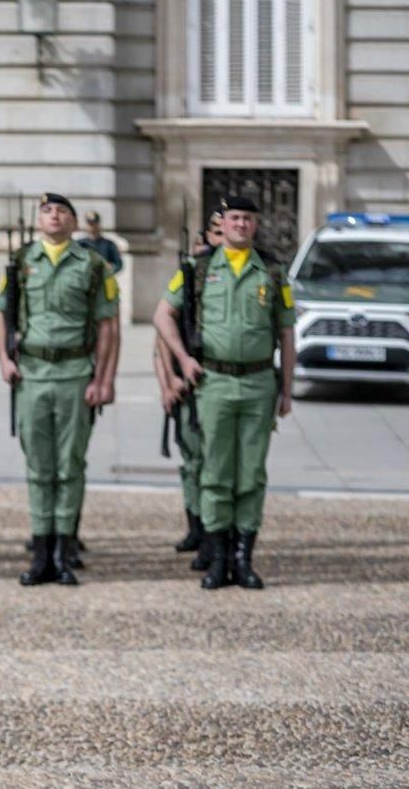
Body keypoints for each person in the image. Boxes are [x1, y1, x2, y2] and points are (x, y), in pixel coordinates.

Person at [153, 195, 295, 590]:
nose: (241, 225)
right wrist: (182, 360)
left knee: (250, 475)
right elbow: (162, 314)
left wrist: (287, 390)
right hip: (212, 383)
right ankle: (216, 559)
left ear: (255, 224)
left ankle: (242, 559)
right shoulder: (197, 269)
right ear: (224, 223)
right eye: (234, 218)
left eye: (248, 219)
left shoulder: (273, 271)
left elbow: (286, 331)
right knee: (215, 473)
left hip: (257, 384)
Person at [0, 193, 119, 587]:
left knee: (70, 465)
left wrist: (104, 379)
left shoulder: (94, 266)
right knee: (38, 465)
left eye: (62, 211)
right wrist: (4, 359)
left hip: (74, 373)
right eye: (47, 210)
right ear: (40, 219)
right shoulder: (20, 263)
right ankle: (41, 551)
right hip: (31, 372)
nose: (54, 216)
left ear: (74, 222)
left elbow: (108, 328)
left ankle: (64, 551)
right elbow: (0, 314)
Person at [156, 213, 223, 557]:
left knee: (219, 465)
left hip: (221, 382)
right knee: (194, 462)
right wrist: (168, 383)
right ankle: (196, 526)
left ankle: (215, 536)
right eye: (214, 232)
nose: (220, 238)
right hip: (188, 387)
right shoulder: (186, 279)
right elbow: (161, 342)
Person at [77, 210, 124, 274]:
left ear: (99, 225)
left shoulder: (109, 244)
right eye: (90, 224)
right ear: (86, 226)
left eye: (95, 224)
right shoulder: (79, 244)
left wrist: (111, 267)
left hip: (103, 280)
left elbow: (119, 264)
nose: (93, 227)